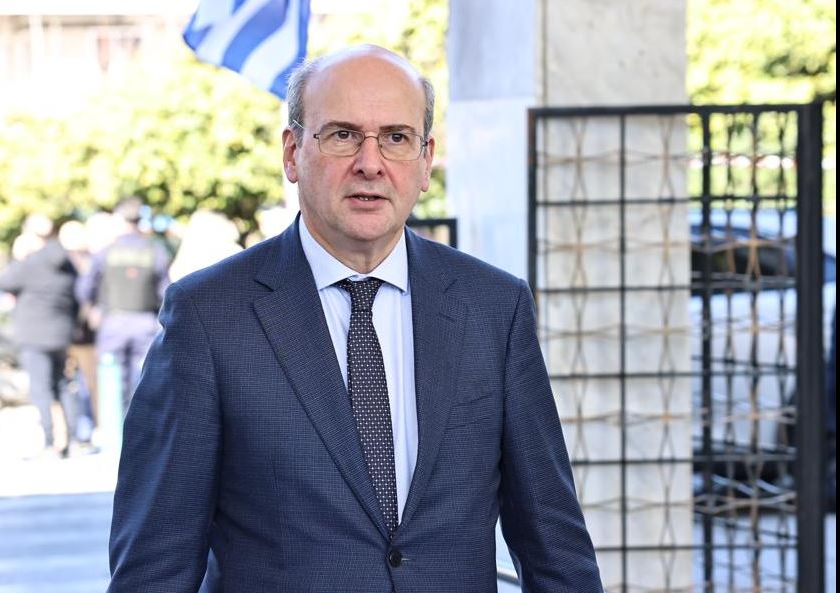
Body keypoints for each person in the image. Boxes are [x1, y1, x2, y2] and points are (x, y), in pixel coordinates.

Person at [108, 45, 602, 592]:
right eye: (343, 135)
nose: (371, 162)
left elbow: (555, 545)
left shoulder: (493, 307)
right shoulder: (209, 316)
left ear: (425, 161)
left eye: (396, 138)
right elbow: (155, 565)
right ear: (292, 153)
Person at [77, 197, 171, 413]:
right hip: (146, 323)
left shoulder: (105, 252)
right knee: (145, 381)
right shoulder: (155, 251)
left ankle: (114, 430)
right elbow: (165, 292)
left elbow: (84, 289)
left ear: (119, 220)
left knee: (110, 383)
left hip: (113, 322)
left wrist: (93, 309)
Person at [0, 215, 80, 457]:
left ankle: (49, 442)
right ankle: (74, 440)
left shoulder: (31, 262)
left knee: (41, 389)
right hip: (62, 332)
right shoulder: (66, 261)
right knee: (63, 385)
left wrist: (20, 256)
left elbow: (4, 281)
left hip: (34, 333)